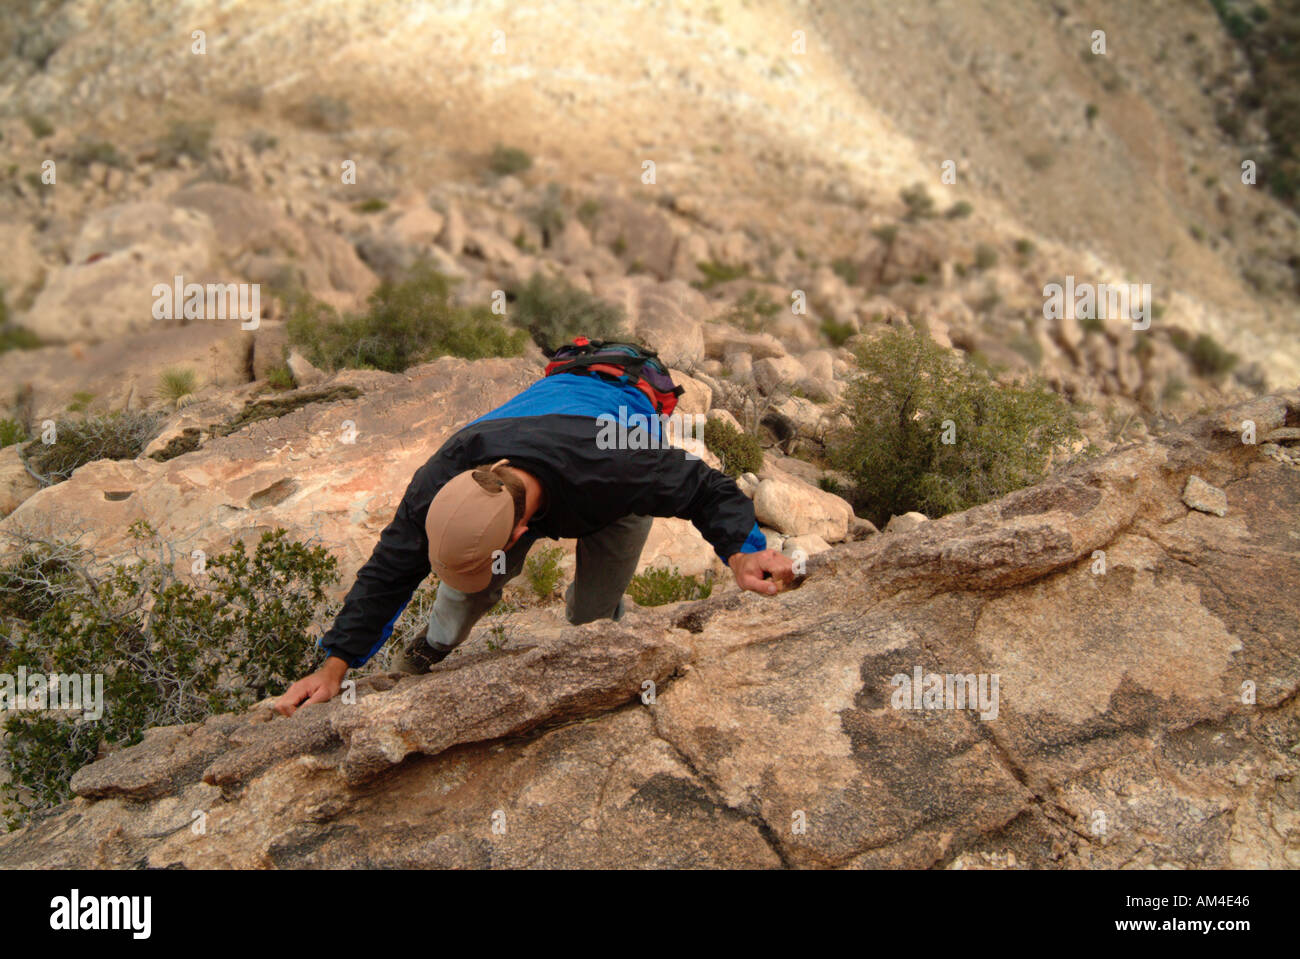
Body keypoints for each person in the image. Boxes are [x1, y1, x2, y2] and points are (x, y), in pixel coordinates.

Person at [274, 354, 795, 717]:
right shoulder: (448, 474)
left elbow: (706, 489)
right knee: (468, 588)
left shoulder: (626, 465)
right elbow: (390, 568)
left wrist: (743, 552)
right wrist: (335, 666)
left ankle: (590, 618)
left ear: (521, 532)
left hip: (605, 472)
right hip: (538, 439)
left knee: (594, 617)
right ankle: (430, 647)